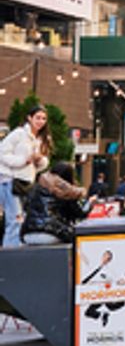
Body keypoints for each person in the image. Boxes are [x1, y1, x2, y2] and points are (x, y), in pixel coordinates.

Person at [0, 107, 49, 249]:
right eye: (38, 118)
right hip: (9, 180)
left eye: (43, 118)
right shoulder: (19, 134)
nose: (41, 121)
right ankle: (10, 252)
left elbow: (41, 164)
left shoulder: (38, 139)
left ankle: (12, 248)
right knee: (14, 218)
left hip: (25, 182)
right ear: (29, 118)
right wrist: (24, 160)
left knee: (19, 217)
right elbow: (2, 153)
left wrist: (39, 161)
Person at [20, 159, 86, 244]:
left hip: (27, 233)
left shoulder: (37, 186)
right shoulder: (66, 191)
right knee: (75, 240)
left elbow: (26, 207)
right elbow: (79, 213)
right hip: (51, 232)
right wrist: (90, 204)